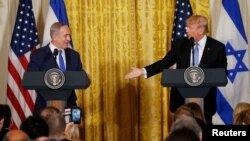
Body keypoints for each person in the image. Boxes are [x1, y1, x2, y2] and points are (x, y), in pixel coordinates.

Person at [125, 15, 227, 125]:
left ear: (201, 30)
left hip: (205, 102)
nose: (186, 29)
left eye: (189, 27)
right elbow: (165, 62)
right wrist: (143, 71)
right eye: (186, 27)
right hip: (181, 100)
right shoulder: (180, 44)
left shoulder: (217, 47)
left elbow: (222, 73)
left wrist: (204, 77)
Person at [27, 22, 91, 116]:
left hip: (70, 106)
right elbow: (31, 79)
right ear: (54, 36)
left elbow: (81, 77)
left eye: (69, 35)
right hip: (45, 109)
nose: (69, 39)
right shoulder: (38, 55)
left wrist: (86, 78)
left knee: (70, 131)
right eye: (66, 36)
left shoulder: (74, 55)